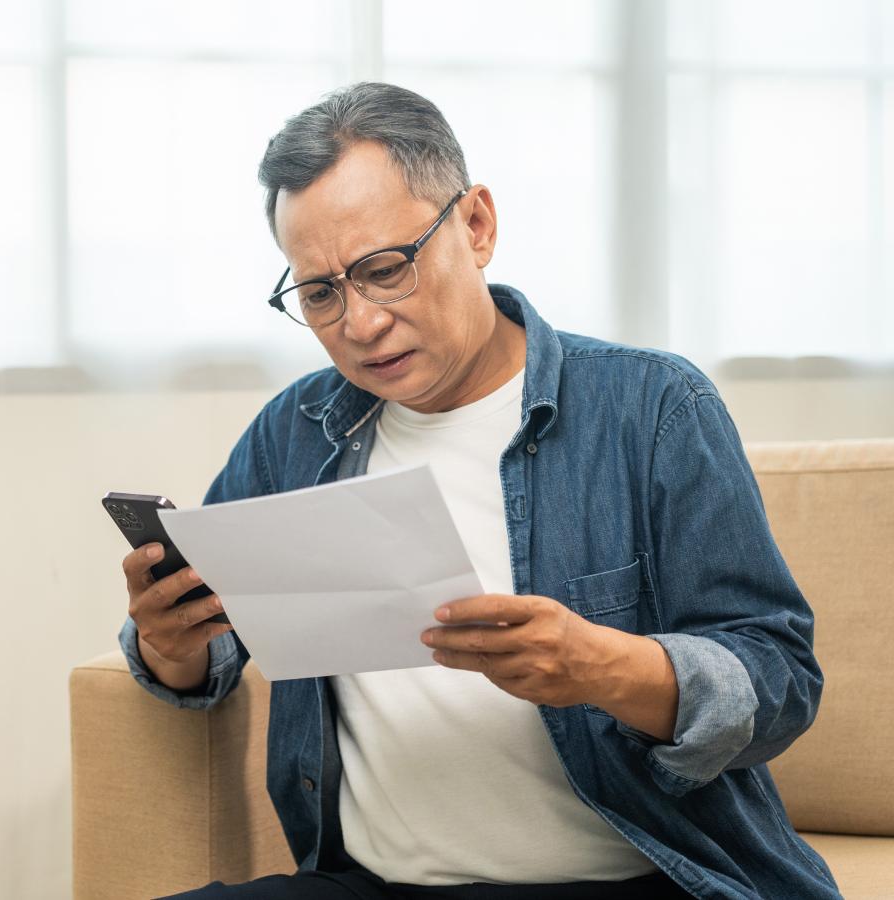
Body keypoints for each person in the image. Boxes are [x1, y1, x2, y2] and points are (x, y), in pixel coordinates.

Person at [116, 82, 840, 900]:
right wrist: (170, 648)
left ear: (476, 225)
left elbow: (779, 681)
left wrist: (606, 669)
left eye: (384, 270)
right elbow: (214, 651)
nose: (359, 324)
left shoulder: (655, 410)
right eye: (319, 293)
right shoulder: (297, 432)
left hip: (645, 877)